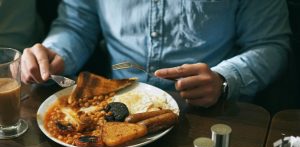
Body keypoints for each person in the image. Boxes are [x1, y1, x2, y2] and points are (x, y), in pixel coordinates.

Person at [21, 0, 291, 108]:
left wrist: (224, 79)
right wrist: (56, 54)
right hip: (114, 103)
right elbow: (77, 25)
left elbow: (270, 44)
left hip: (208, 110)